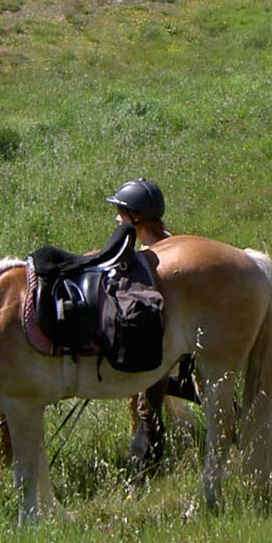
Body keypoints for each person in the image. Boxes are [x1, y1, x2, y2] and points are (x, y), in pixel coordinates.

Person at [104, 179, 189, 477]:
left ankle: (148, 468)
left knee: (146, 407)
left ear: (135, 219)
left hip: (161, 348)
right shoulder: (171, 246)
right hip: (171, 346)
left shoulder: (152, 260)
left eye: (120, 213)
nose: (116, 219)